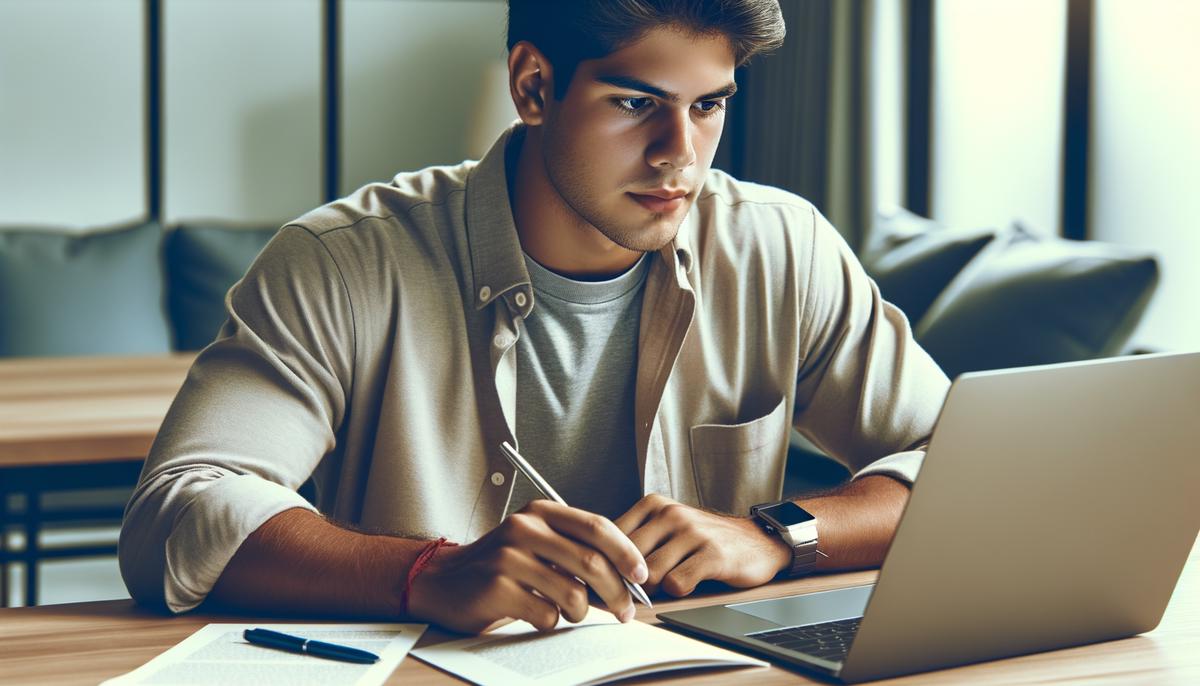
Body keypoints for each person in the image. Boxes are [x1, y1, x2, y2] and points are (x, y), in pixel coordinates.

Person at [119, 0, 949, 635]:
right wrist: (428, 574)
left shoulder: (781, 247)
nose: (680, 155)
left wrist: (777, 535)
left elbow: (958, 467)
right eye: (637, 105)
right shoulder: (345, 260)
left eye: (708, 106)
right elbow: (179, 512)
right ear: (534, 86)